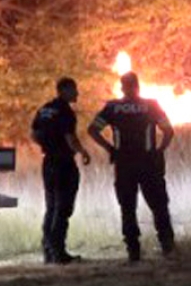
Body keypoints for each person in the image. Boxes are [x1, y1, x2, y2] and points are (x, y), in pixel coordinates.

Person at [87, 72, 176, 263]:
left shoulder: (113, 107)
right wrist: (159, 150)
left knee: (127, 208)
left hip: (124, 164)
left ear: (122, 87)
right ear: (138, 86)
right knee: (159, 205)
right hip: (148, 163)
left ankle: (133, 251)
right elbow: (168, 131)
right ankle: (167, 246)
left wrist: (110, 149)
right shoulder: (151, 106)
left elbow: (92, 130)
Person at [31, 77, 91, 264]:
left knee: (51, 207)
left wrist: (48, 145)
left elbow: (34, 134)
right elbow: (70, 138)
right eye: (74, 89)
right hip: (63, 163)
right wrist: (82, 151)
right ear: (64, 90)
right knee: (63, 208)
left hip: (48, 162)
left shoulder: (44, 110)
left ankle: (48, 251)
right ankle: (59, 252)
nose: (77, 93)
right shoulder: (65, 111)